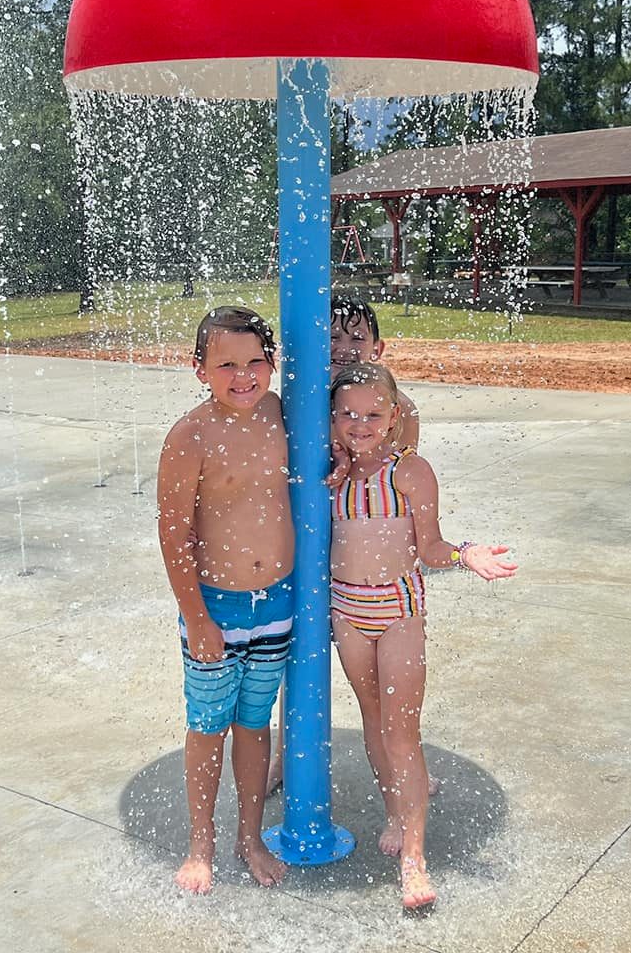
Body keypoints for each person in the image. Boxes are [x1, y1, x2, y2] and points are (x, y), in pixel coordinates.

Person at [329, 362, 517, 911]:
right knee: (372, 718)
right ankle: (394, 810)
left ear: (392, 417)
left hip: (398, 612)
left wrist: (465, 555)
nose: (360, 424)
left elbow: (430, 549)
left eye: (372, 414)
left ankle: (414, 859)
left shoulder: (411, 472)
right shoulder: (329, 473)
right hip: (347, 609)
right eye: (347, 415)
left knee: (401, 730)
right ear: (333, 421)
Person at [157, 306, 294, 895]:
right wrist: (196, 617)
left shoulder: (283, 415)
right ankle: (201, 842)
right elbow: (173, 533)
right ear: (199, 370)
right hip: (217, 608)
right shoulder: (191, 435)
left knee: (254, 724)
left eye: (256, 362)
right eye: (227, 365)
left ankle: (250, 836)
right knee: (209, 727)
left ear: (273, 364)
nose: (244, 376)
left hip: (279, 604)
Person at [264, 294, 422, 797]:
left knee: (384, 684)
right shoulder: (301, 399)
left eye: (357, 337)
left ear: (378, 347)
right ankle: (287, 760)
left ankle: (405, 762)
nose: (346, 346)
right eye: (334, 336)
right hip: (308, 554)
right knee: (300, 658)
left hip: (362, 559)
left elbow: (396, 468)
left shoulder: (391, 407)